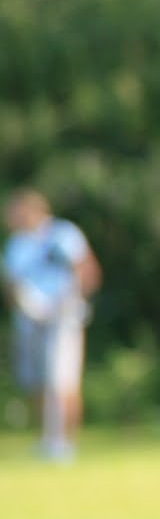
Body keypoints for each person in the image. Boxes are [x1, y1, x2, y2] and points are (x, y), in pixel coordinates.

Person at [4, 189, 100, 461]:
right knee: (38, 381)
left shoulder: (62, 234)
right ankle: (47, 439)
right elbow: (11, 284)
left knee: (62, 379)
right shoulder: (16, 244)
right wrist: (25, 305)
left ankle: (67, 442)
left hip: (63, 317)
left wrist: (72, 300)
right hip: (30, 320)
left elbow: (87, 270)